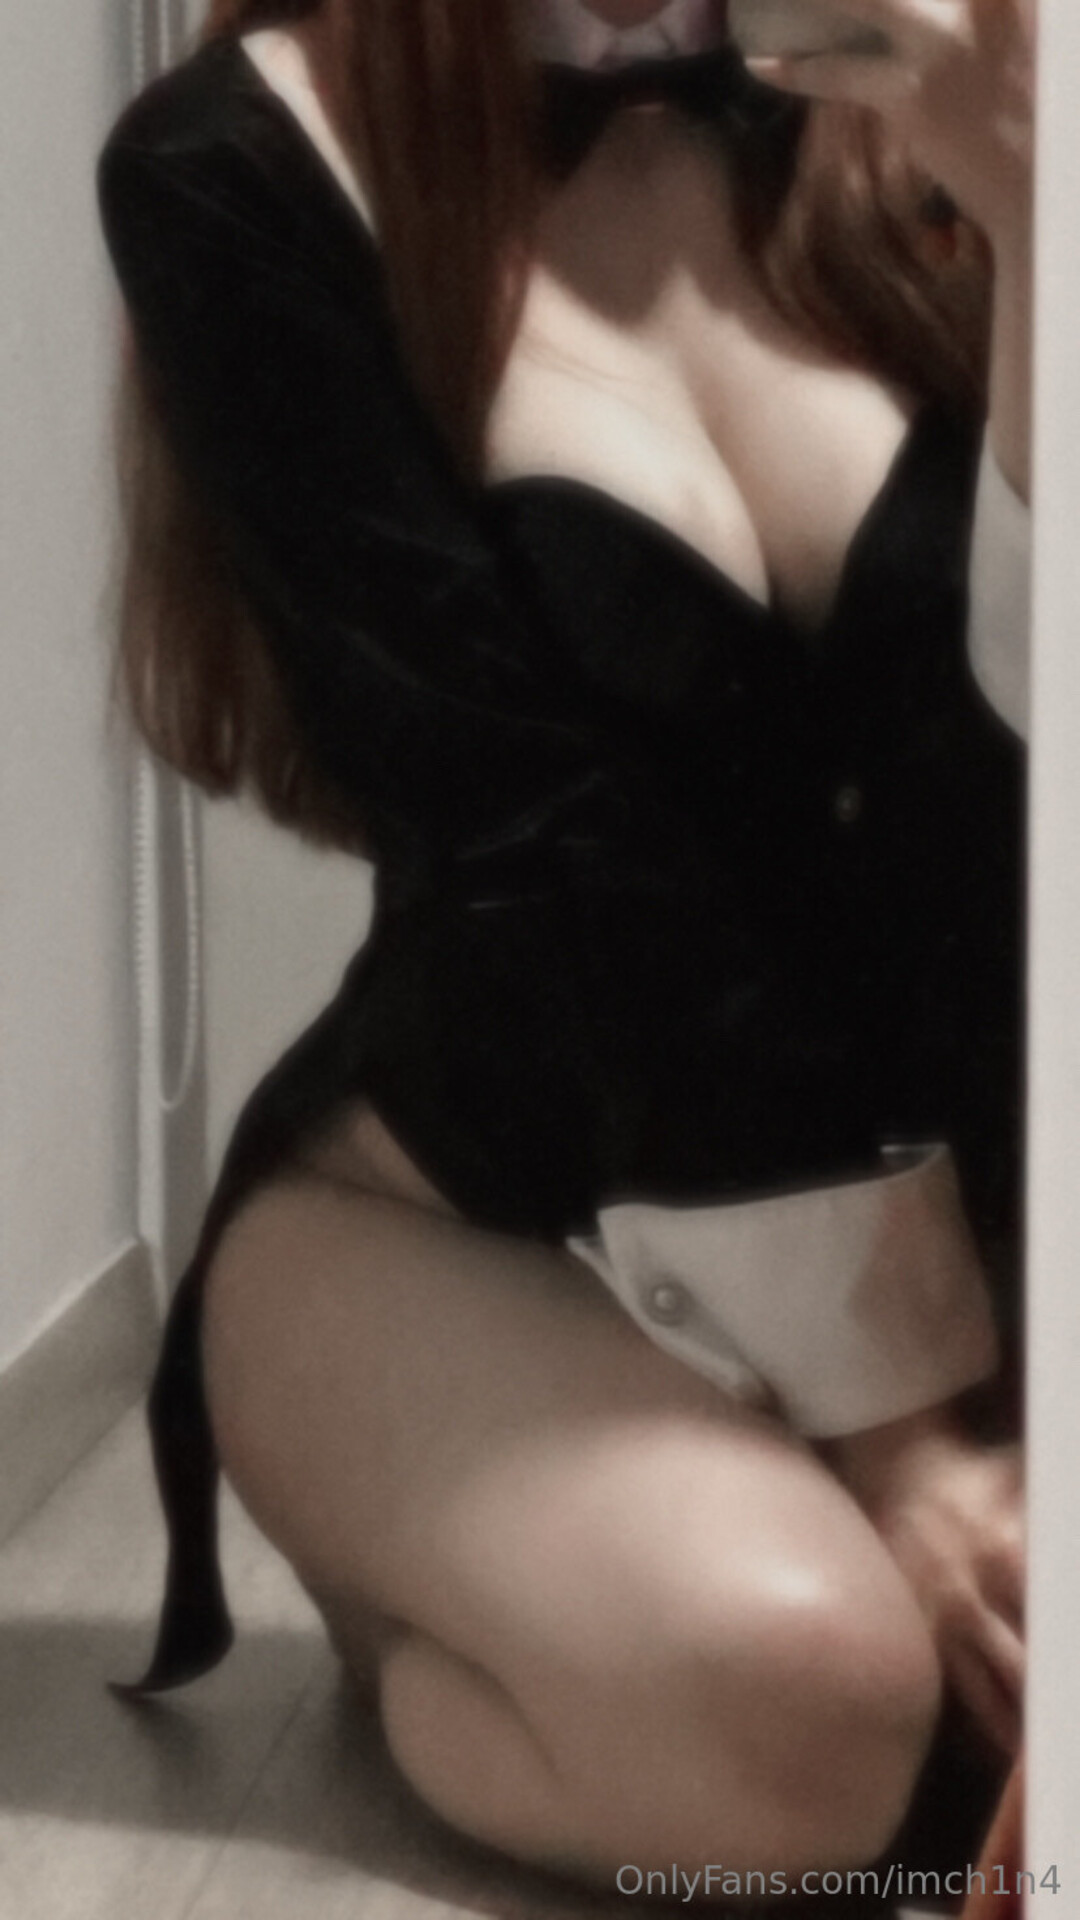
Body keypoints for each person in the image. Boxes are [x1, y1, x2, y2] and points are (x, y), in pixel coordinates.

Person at [96, 0, 1032, 1892]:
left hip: (972, 1172)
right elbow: (538, 839)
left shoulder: (936, 96)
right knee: (814, 1701)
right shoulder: (232, 170)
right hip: (475, 1201)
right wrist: (912, 1435)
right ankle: (456, 1617)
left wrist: (1032, 191)